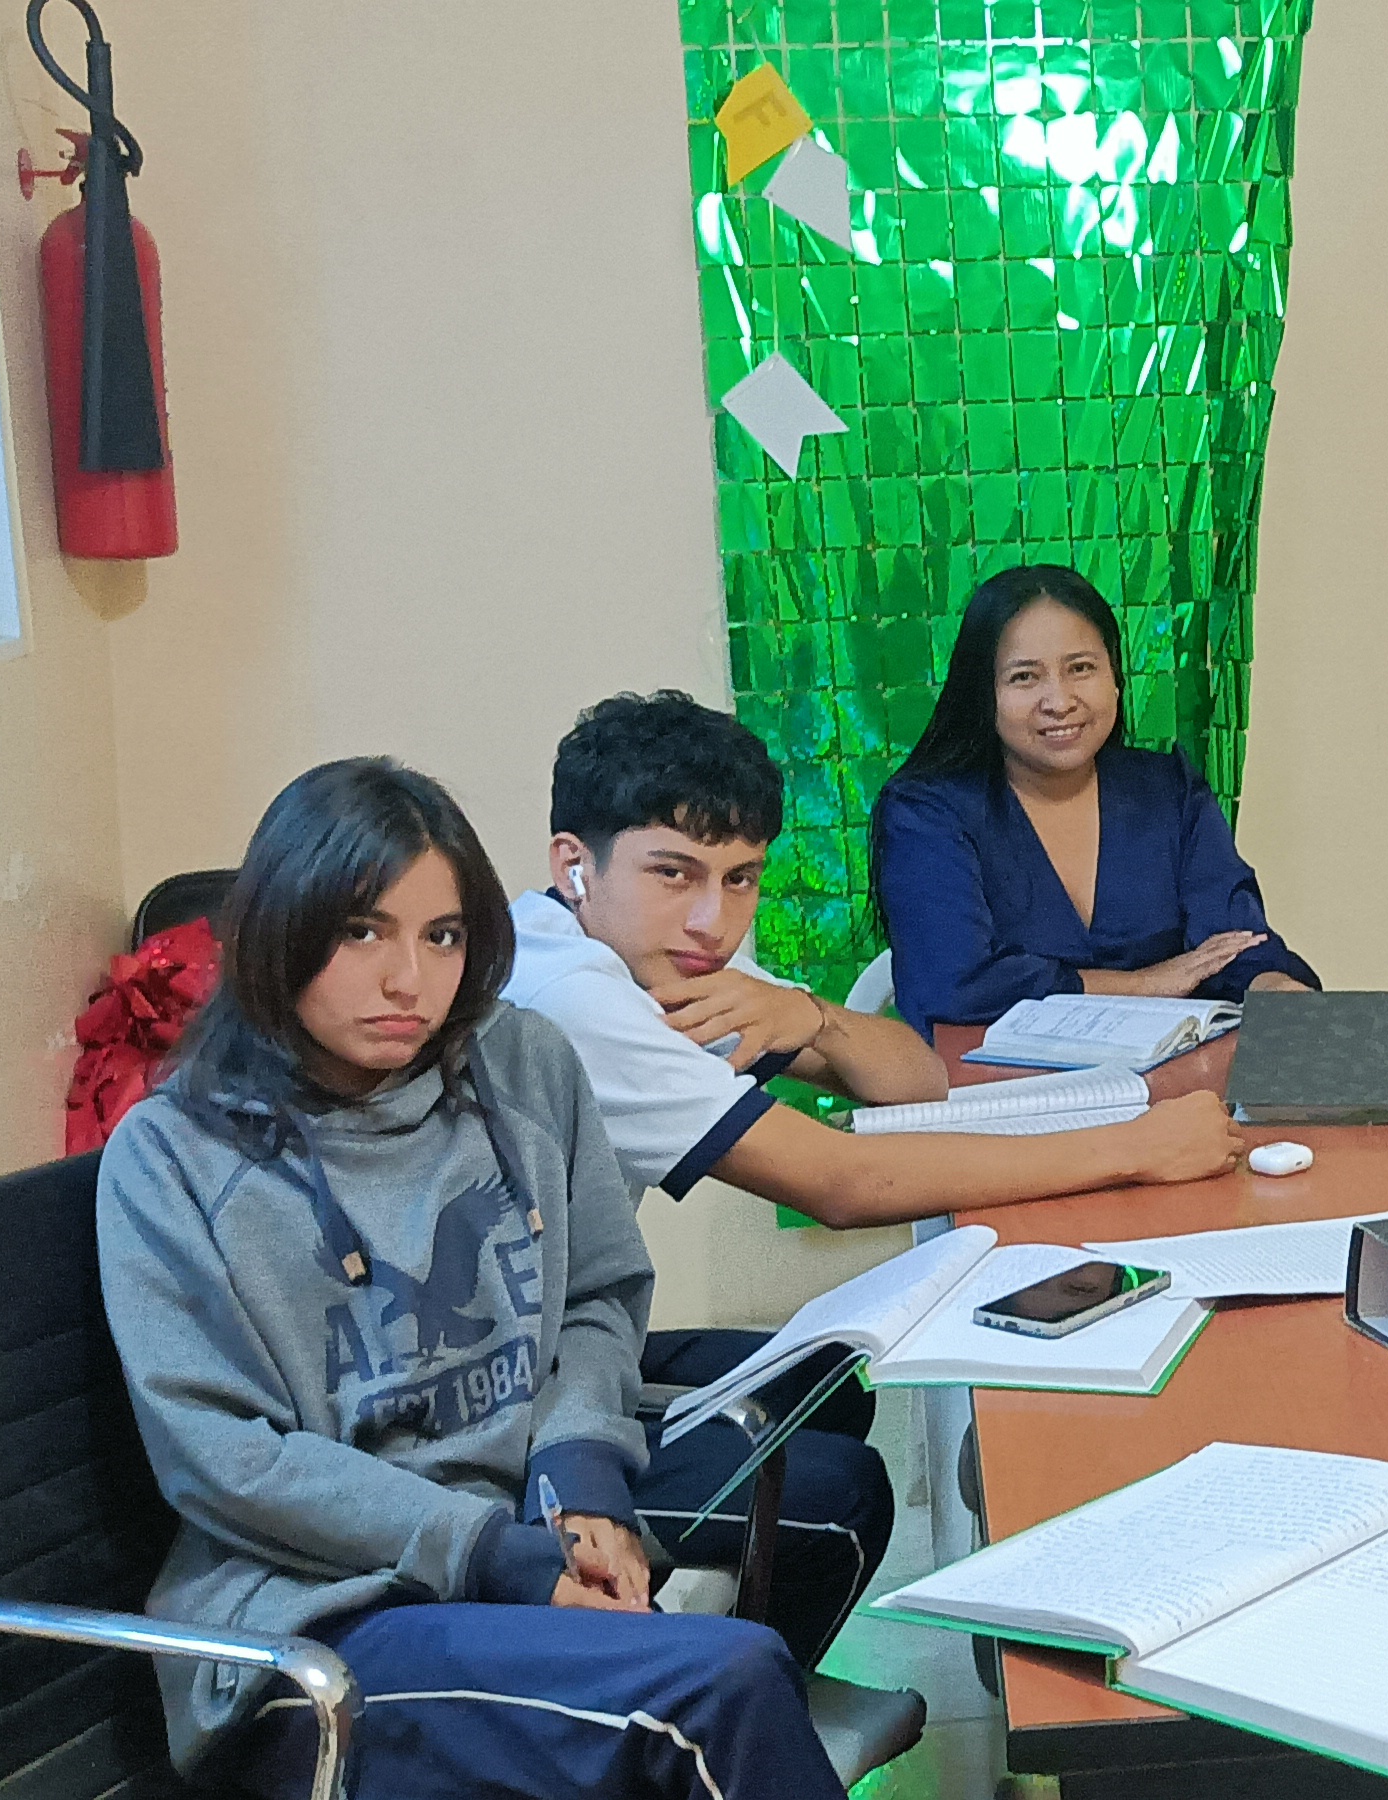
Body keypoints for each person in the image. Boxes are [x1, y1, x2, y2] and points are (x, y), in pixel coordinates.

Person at [98, 758, 842, 1800]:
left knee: (824, 1503)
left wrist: (580, 1477)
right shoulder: (173, 1155)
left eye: (442, 935)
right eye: (363, 932)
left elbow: (593, 1296)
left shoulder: (520, 1062)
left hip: (509, 1522)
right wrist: (498, 1555)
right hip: (319, 1626)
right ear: (280, 929)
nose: (409, 980)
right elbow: (226, 1460)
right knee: (720, 1685)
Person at [502, 691, 1249, 1653]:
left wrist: (813, 1017)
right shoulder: (574, 994)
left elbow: (915, 1079)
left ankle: (700, 1667)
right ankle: (714, 1700)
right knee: (835, 1497)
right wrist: (1137, 1149)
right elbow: (841, 1184)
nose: (712, 919)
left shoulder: (641, 950)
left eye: (741, 878)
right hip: (513, 1399)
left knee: (831, 1379)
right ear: (575, 864)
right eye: (673, 873)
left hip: (559, 1342)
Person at [871, 565, 1318, 1027]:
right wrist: (1143, 985)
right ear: (984, 694)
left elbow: (1234, 944)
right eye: (1024, 677)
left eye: (1081, 669)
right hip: (989, 1073)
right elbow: (953, 987)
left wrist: (1276, 988)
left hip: (1173, 1073)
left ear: (1114, 678)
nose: (1060, 701)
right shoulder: (924, 813)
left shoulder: (1169, 790)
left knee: (1336, 1051)